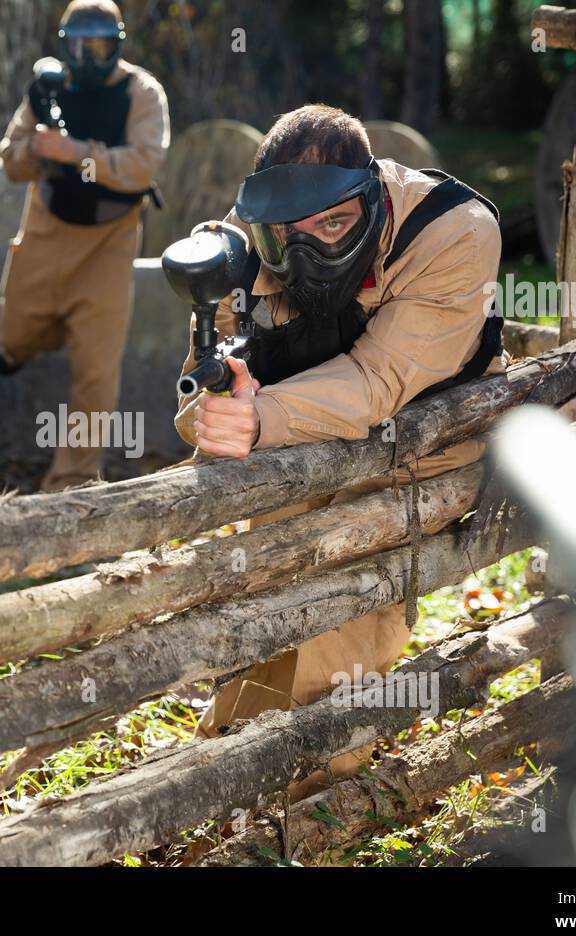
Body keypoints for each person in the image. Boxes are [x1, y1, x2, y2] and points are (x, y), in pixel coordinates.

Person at [175, 104, 505, 795]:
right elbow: (199, 403)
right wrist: (223, 411)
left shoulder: (452, 231)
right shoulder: (245, 240)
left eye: (332, 225)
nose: (304, 253)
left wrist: (258, 418)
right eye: (285, 235)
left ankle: (312, 791)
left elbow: (377, 380)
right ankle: (232, 760)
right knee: (268, 587)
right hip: (298, 445)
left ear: (372, 197)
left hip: (420, 445)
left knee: (344, 597)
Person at [0, 0, 169, 491]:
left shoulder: (142, 92)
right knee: (14, 337)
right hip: (48, 228)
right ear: (64, 45)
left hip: (110, 241)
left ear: (117, 44)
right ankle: (42, 333)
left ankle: (70, 484)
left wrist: (76, 153)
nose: (88, 56)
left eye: (99, 46)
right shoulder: (47, 88)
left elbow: (143, 164)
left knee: (97, 368)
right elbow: (10, 161)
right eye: (78, 45)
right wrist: (37, 148)